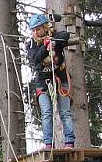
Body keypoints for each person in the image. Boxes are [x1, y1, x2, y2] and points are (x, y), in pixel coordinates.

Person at [26, 13, 75, 150]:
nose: (36, 32)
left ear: (44, 27)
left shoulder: (55, 36)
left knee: (65, 112)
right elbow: (34, 58)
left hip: (60, 80)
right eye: (34, 30)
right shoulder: (31, 44)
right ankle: (48, 143)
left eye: (38, 29)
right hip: (43, 82)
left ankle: (69, 142)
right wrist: (45, 47)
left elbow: (65, 36)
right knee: (47, 112)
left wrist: (52, 42)